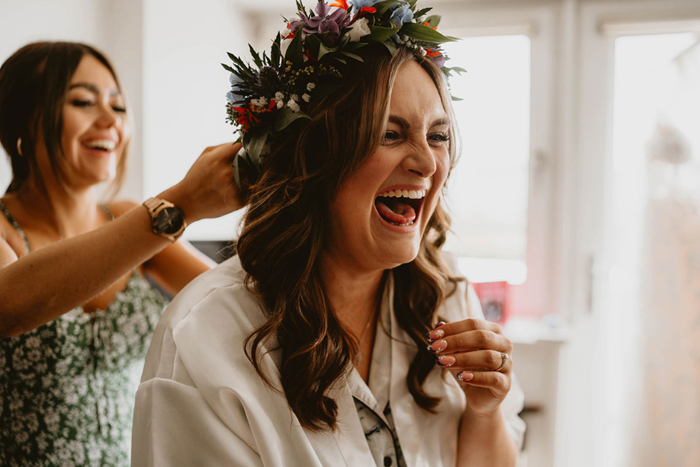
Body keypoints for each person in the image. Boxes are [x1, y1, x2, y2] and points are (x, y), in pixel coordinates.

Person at [133, 1, 526, 465]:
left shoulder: (445, 297)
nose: (426, 163)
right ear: (313, 159)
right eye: (390, 133)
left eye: (438, 136)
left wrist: (484, 410)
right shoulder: (205, 336)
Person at [0, 41, 242, 465]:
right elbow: (7, 304)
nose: (110, 120)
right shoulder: (7, 230)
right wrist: (182, 202)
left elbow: (232, 300)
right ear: (24, 118)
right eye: (82, 101)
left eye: (119, 106)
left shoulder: (131, 219)